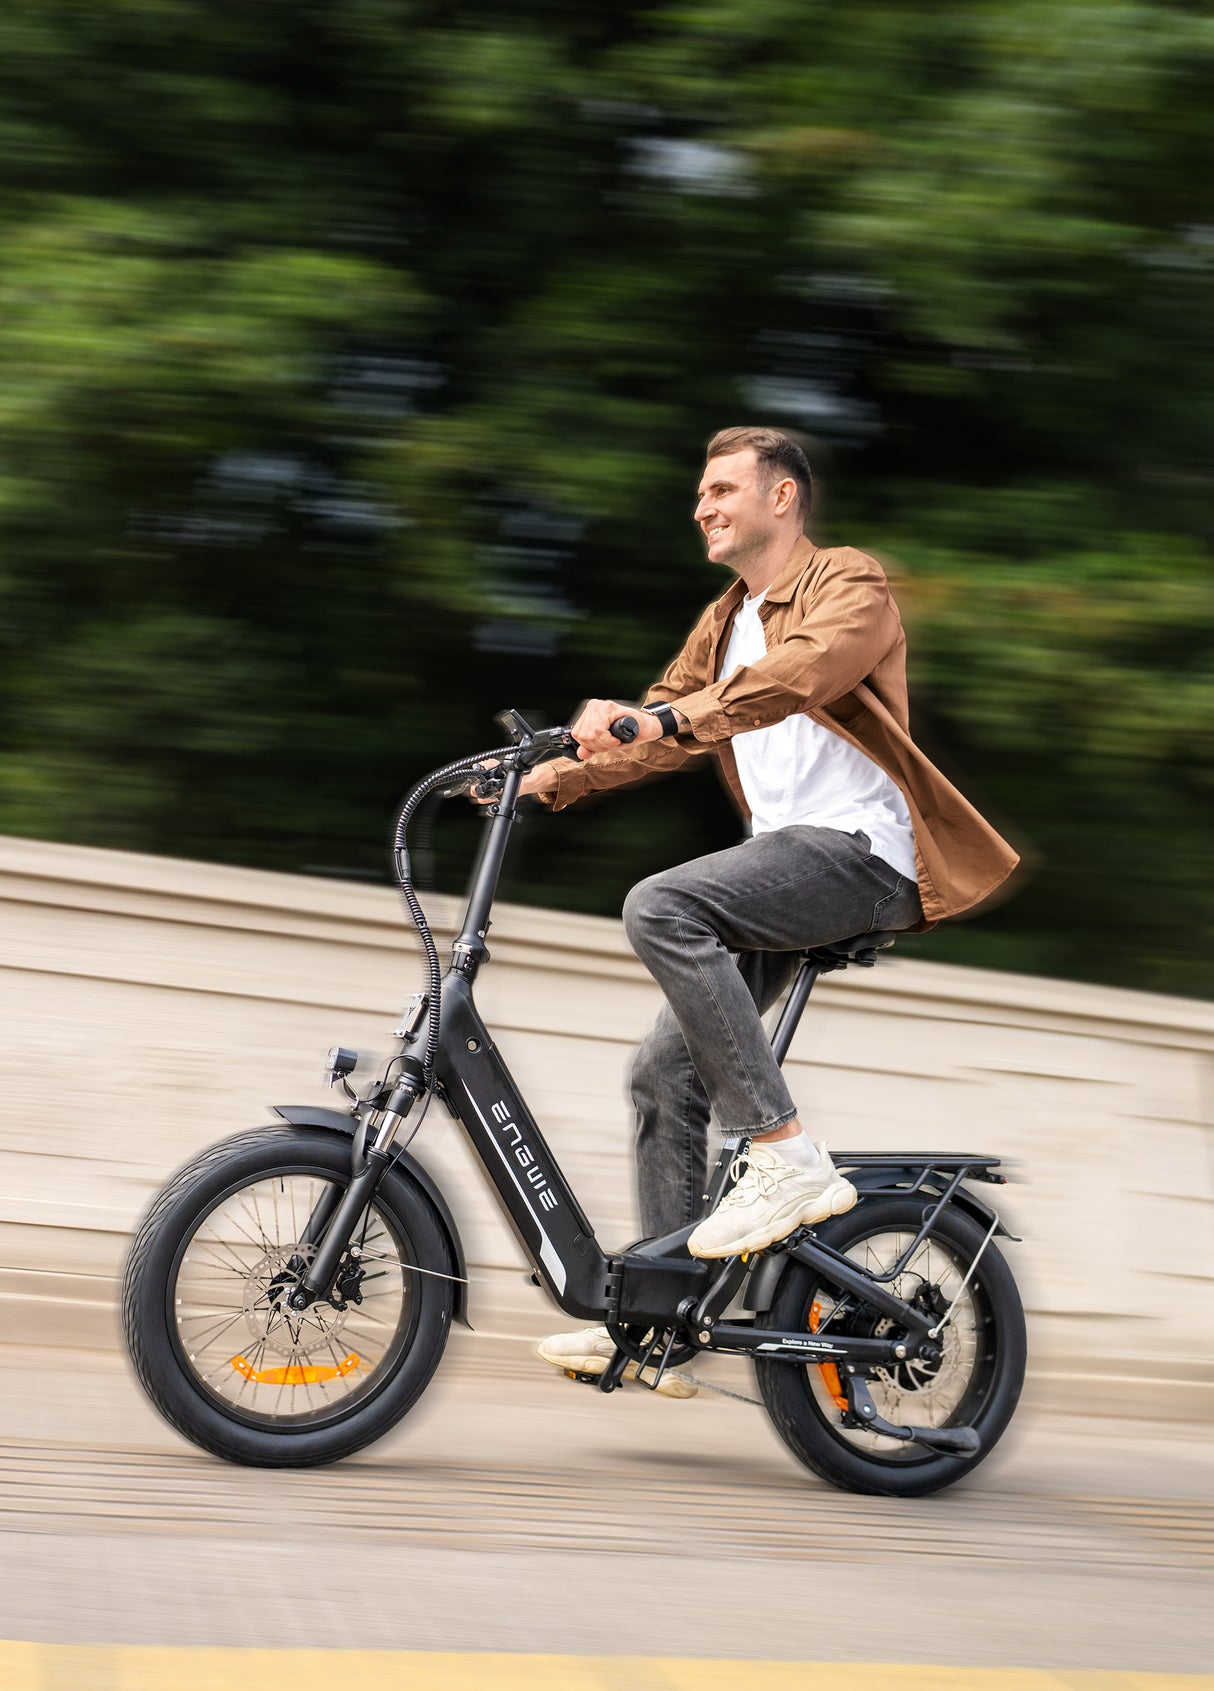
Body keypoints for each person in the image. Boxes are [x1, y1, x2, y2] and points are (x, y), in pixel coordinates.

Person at [510, 427, 1019, 1394]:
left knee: (662, 904)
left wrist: (665, 716)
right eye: (701, 493)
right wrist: (546, 779)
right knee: (663, 1073)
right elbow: (659, 725)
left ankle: (785, 1154)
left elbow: (798, 677)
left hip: (863, 854)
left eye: (722, 489)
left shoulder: (847, 582)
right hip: (785, 863)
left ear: (782, 497)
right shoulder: (726, 617)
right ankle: (663, 1324)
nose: (702, 506)